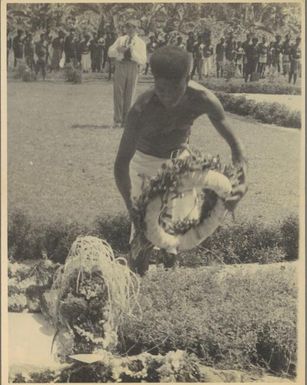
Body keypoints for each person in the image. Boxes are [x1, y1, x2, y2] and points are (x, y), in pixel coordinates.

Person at [114, 46, 247, 275]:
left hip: (181, 164)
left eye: (174, 89)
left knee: (175, 237)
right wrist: (132, 209)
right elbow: (120, 165)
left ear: (188, 78)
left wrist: (240, 182)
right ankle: (139, 280)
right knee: (143, 238)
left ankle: (170, 283)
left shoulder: (203, 99)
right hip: (145, 165)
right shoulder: (140, 110)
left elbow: (236, 148)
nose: (167, 96)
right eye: (161, 88)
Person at [108, 20, 146, 128]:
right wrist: (118, 50)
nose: (130, 29)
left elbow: (143, 60)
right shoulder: (121, 39)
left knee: (130, 93)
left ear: (136, 29)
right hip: (121, 65)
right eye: (128, 27)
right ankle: (118, 120)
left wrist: (132, 51)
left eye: (133, 27)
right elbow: (110, 52)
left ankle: (127, 120)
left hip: (133, 66)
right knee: (118, 93)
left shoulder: (140, 42)